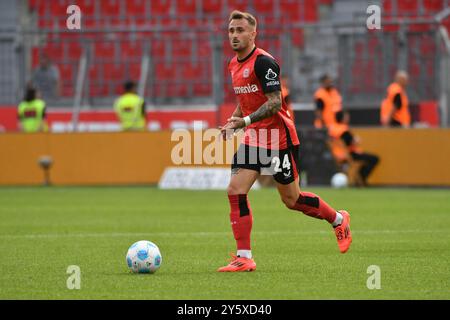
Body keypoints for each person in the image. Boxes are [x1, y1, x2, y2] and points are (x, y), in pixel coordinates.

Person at [218, 10, 352, 272]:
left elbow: (275, 102)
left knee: (292, 200)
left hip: (278, 139)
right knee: (235, 190)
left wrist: (243, 122)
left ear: (253, 33)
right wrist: (234, 121)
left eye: (240, 30)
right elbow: (244, 99)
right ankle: (244, 257)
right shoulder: (233, 64)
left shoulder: (264, 63)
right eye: (231, 31)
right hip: (255, 139)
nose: (234, 35)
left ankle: (338, 219)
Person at [328, 111, 379, 186]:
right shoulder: (344, 130)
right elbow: (350, 142)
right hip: (349, 155)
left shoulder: (332, 129)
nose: (348, 118)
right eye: (346, 116)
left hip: (338, 156)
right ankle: (361, 178)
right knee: (374, 159)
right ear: (342, 118)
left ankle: (360, 179)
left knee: (368, 159)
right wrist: (356, 140)